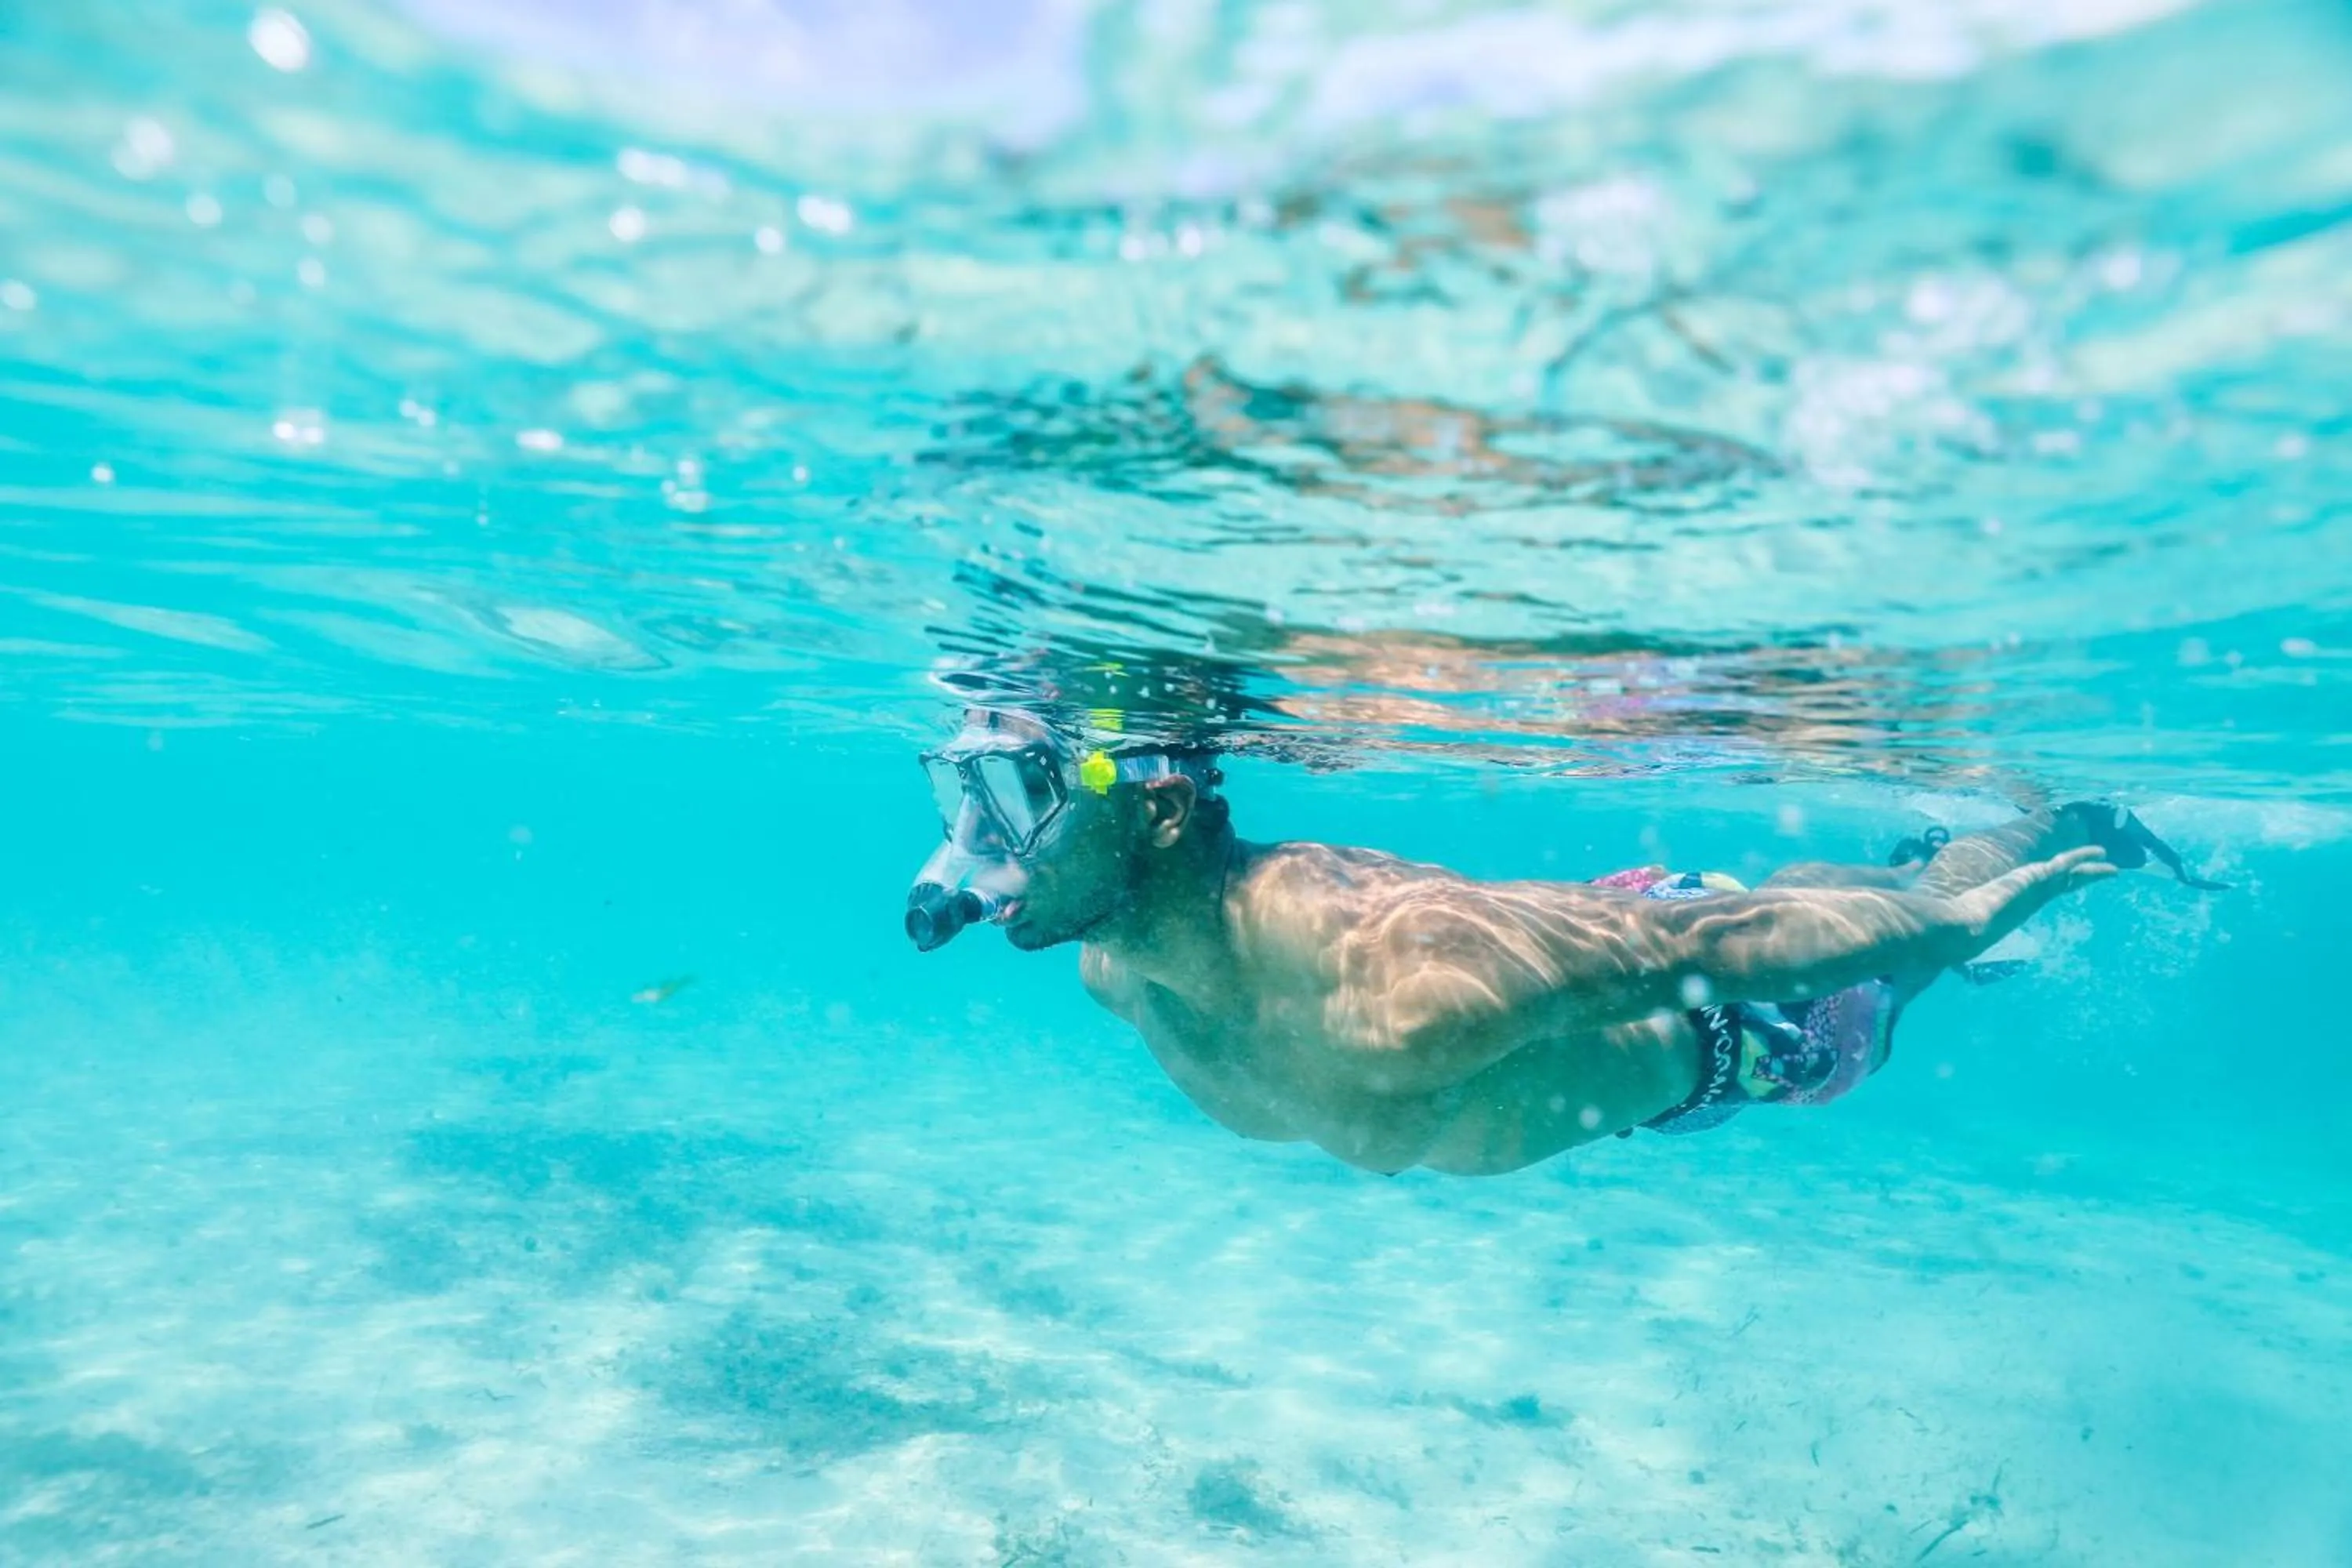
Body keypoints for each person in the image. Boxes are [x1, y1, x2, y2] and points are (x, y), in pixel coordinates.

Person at [904, 706, 2224, 1176]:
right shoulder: (1115, 975)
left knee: (1892, 962)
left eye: (1012, 797)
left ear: (1164, 808)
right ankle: (1920, 894)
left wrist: (1953, 914)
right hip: (1579, 940)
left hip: (1739, 1026)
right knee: (1863, 915)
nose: (976, 840)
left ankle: (2023, 831)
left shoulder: (1403, 995)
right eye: (959, 794)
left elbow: (1719, 937)